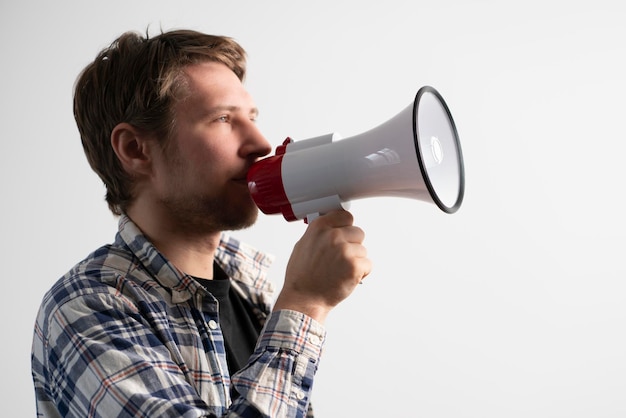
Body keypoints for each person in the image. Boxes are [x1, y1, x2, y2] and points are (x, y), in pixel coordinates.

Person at [31, 29, 371, 418]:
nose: (260, 143)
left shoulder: (246, 288)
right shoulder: (87, 308)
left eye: (253, 117)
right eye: (223, 118)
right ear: (134, 150)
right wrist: (307, 303)